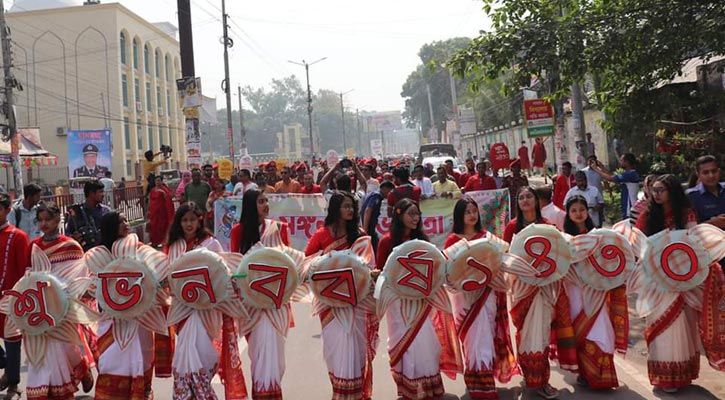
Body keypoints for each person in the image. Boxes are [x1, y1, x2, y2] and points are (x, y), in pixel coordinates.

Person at [375, 199, 456, 399]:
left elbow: (435, 267)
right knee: (404, 343)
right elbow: (380, 272)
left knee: (426, 341)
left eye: (417, 214)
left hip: (421, 300)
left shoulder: (423, 240)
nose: (415, 218)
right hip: (397, 302)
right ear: (399, 214)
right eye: (411, 214)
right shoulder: (387, 241)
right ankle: (409, 389)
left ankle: (427, 387)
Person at [166, 202, 247, 399]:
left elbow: (223, 274)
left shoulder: (211, 244)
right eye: (184, 220)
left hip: (207, 309)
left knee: (204, 354)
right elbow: (167, 277)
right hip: (182, 311)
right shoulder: (174, 247)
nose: (188, 224)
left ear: (200, 220)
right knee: (185, 355)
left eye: (192, 220)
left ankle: (201, 390)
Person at [503, 187, 574, 399]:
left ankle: (542, 381)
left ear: (536, 201)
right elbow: (506, 256)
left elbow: (561, 252)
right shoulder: (512, 227)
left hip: (545, 288)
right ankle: (530, 375)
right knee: (524, 334)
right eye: (521, 197)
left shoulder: (548, 226)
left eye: (529, 197)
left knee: (541, 334)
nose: (525, 200)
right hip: (521, 289)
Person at [443, 198, 518, 398]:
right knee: (472, 340)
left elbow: (502, 259)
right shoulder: (453, 241)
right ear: (460, 215)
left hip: (488, 296)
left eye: (474, 211)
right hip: (465, 299)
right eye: (467, 212)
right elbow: (448, 272)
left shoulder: (488, 238)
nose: (472, 215)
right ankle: (475, 381)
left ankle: (485, 384)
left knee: (485, 337)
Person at [305, 192, 376, 400]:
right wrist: (328, 263)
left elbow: (370, 267)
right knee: (336, 350)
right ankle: (340, 392)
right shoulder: (321, 235)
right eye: (346, 206)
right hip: (329, 303)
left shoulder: (360, 235)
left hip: (356, 302)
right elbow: (306, 265)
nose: (351, 210)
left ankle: (355, 394)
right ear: (335, 208)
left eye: (352, 207)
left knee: (356, 347)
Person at [633, 174, 698, 393]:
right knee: (659, 324)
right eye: (654, 190)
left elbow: (695, 243)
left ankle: (680, 375)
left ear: (672, 191)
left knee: (680, 325)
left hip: (680, 278)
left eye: (661, 190)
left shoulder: (685, 214)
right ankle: (663, 376)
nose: (656, 194)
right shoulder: (647, 215)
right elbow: (638, 246)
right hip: (654, 280)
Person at [27, 202, 94, 398]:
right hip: (41, 308)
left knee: (67, 346)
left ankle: (81, 368)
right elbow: (29, 275)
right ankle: (46, 387)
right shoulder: (34, 247)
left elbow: (79, 275)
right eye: (40, 220)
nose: (44, 224)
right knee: (45, 350)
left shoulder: (70, 246)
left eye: (48, 219)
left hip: (65, 307)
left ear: (58, 220)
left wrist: (65, 294)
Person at [230, 190, 290, 399]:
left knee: (277, 359)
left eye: (266, 201)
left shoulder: (279, 229)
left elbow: (288, 264)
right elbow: (236, 267)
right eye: (260, 201)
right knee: (259, 354)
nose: (265, 205)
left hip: (276, 301)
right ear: (250, 205)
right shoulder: (239, 231)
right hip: (252, 303)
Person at [562, 196, 627, 389]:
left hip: (597, 290)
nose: (579, 213)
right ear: (568, 214)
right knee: (578, 330)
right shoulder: (565, 240)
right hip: (575, 289)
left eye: (582, 209)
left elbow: (612, 261)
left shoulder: (600, 236)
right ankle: (584, 374)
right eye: (574, 210)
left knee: (602, 329)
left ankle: (602, 376)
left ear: (587, 212)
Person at [96, 211, 157, 400]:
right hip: (112, 316)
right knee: (111, 359)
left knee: (142, 353)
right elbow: (94, 283)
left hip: (139, 315)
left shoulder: (140, 248)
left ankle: (142, 391)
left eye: (125, 220)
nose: (125, 223)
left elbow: (155, 272)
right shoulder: (101, 254)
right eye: (120, 221)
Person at [0, 193, 30, 400]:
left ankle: (13, 384)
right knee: (7, 353)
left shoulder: (18, 236)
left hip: (10, 298)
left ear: (7, 210)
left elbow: (23, 271)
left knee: (12, 342)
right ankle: (7, 367)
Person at [65, 180, 111, 251]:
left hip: (104, 252)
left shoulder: (106, 211)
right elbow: (68, 234)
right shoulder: (77, 213)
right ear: (91, 193)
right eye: (100, 192)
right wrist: (74, 238)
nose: (103, 194)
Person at [593, 153, 640, 219]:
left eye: (622, 160)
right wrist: (602, 167)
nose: (620, 162)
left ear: (627, 162)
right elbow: (613, 178)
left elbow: (610, 178)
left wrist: (596, 169)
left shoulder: (630, 174)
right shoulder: (629, 174)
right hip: (628, 207)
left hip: (630, 207)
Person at [687, 155, 725, 229]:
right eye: (705, 173)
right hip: (705, 238)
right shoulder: (691, 196)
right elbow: (689, 229)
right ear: (698, 175)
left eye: (714, 171)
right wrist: (712, 223)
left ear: (719, 171)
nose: (711, 176)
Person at [361, 181, 394, 252]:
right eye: (390, 191)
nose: (390, 194)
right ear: (385, 189)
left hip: (370, 228)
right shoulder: (377, 196)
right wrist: (365, 231)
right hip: (369, 228)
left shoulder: (372, 194)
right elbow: (368, 211)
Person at [147, 175, 175, 247]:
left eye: (159, 180)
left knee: (161, 227)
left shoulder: (164, 190)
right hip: (153, 212)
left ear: (162, 181)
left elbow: (168, 200)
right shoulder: (152, 190)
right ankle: (154, 241)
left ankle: (161, 241)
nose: (158, 182)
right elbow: (150, 200)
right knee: (153, 226)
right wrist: (148, 210)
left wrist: (163, 193)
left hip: (162, 212)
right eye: (156, 180)